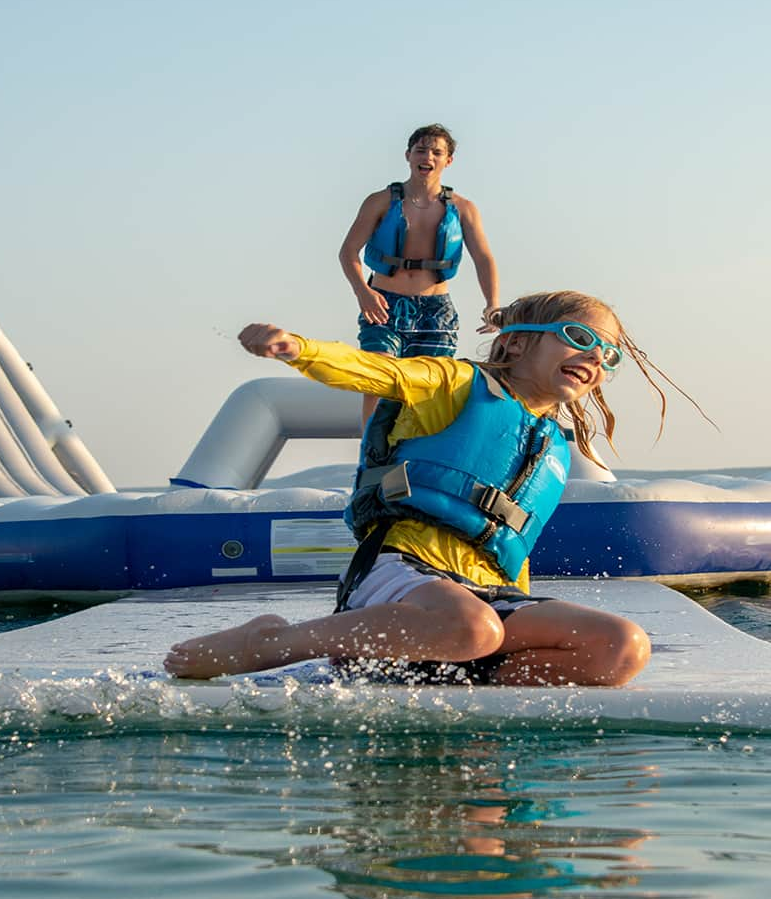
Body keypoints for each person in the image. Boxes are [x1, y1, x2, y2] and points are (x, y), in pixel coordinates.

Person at [166, 291, 673, 687]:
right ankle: (274, 640)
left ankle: (463, 675)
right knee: (474, 627)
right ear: (517, 341)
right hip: (403, 568)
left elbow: (511, 548)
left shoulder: (551, 448)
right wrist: (300, 350)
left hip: (483, 597)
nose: (596, 357)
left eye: (609, 355)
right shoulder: (454, 386)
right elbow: (381, 370)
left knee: (621, 647)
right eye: (579, 336)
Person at [338, 124, 501, 419]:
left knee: (429, 389)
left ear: (448, 160)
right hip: (384, 304)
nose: (428, 157)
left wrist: (492, 303)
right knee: (379, 379)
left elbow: (484, 258)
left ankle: (416, 454)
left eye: (437, 152)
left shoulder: (464, 209)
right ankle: (372, 455)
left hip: (436, 309)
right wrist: (363, 291)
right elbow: (348, 252)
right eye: (421, 150)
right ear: (408, 155)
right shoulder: (380, 201)